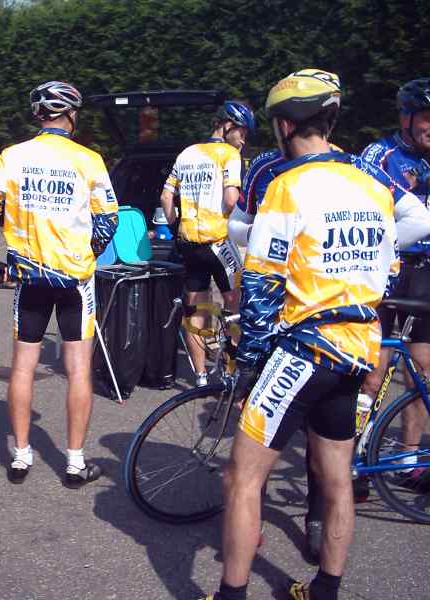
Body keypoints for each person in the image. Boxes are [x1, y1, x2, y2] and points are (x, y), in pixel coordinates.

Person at [201, 69, 402, 600]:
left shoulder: (286, 185)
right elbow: (391, 268)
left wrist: (248, 366)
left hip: (305, 348)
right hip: (360, 346)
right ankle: (326, 590)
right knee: (336, 478)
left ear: (285, 124)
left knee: (241, 477)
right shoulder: (374, 185)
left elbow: (262, 289)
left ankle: (231, 594)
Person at [0, 80, 118, 486]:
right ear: (71, 114)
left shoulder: (12, 156)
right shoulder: (89, 159)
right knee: (79, 369)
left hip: (29, 277)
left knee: (22, 367)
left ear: (39, 115)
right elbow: (108, 220)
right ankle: (74, 462)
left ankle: (19, 455)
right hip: (74, 279)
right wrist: (86, 253)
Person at [360, 77, 430, 494]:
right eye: (426, 118)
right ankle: (351, 455)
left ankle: (407, 461)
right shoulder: (380, 155)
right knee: (372, 372)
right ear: (406, 117)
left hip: (426, 270)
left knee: (422, 371)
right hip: (389, 267)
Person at [160, 100, 254, 387]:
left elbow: (165, 198)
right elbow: (230, 199)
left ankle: (200, 376)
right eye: (243, 132)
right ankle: (229, 371)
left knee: (196, 310)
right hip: (219, 241)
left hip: (189, 243)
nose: (244, 139)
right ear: (229, 125)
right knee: (234, 306)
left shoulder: (187, 154)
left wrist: (177, 223)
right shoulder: (229, 155)